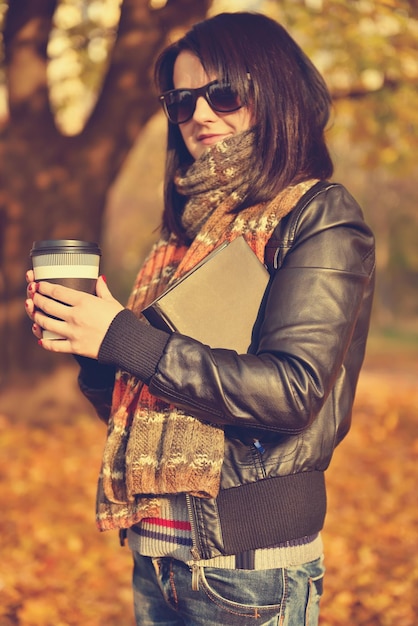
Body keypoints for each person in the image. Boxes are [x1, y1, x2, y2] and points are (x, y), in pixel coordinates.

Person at [25, 11, 375, 626]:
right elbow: (138, 403)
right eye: (182, 102)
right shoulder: (185, 234)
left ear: (275, 91)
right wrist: (93, 341)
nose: (201, 115)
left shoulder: (319, 216)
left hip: (248, 567)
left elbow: (291, 393)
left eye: (224, 93)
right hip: (157, 559)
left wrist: (124, 335)